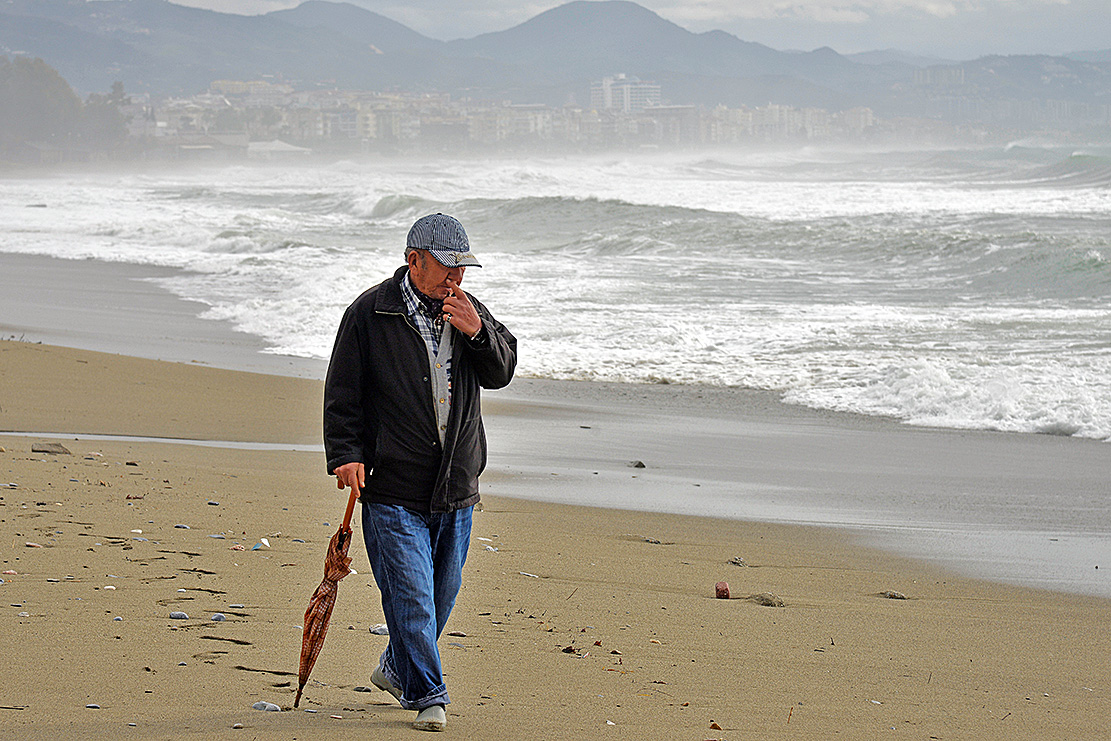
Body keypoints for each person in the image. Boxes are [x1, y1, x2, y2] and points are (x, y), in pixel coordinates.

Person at [323, 213, 516, 732]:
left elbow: (503, 370)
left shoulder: (471, 312)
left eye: (463, 270)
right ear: (414, 261)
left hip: (456, 484)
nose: (456, 280)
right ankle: (429, 694)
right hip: (390, 485)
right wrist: (346, 453)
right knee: (409, 594)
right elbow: (343, 392)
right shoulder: (369, 313)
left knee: (440, 594)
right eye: (447, 268)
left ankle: (394, 666)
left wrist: (478, 333)